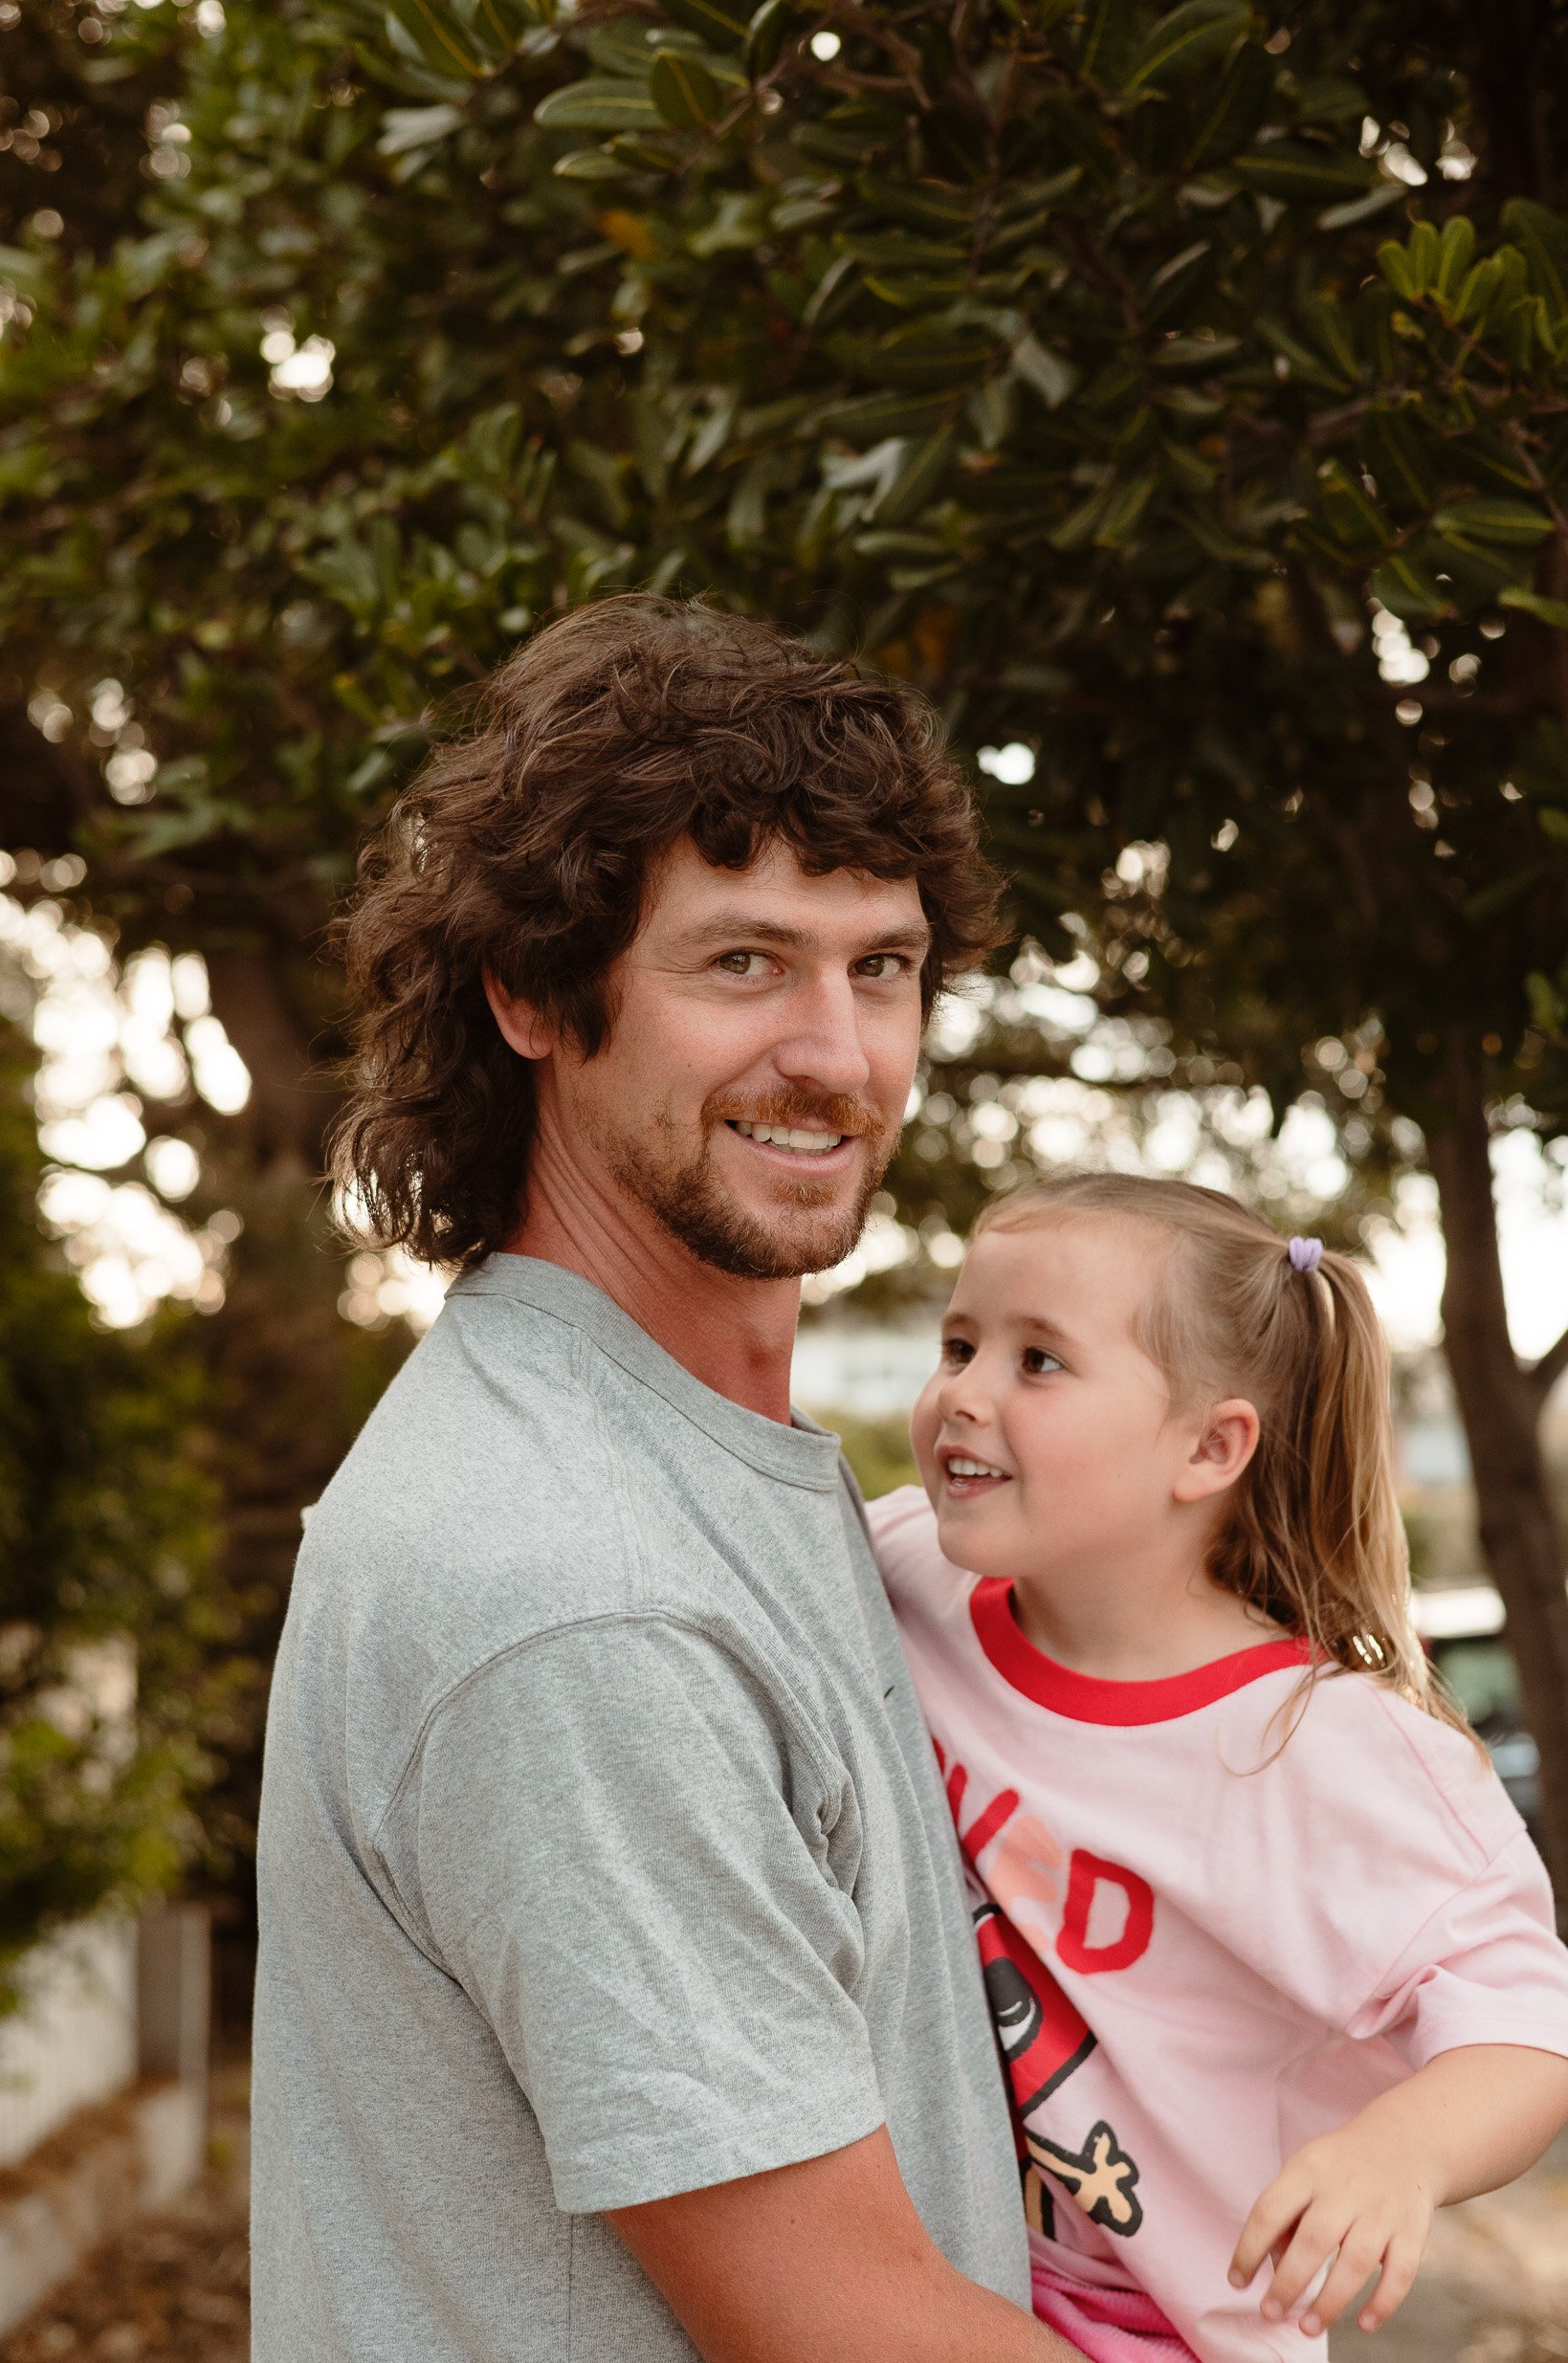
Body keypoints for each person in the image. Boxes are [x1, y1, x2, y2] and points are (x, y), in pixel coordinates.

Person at [249, 596, 1084, 2363]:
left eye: (883, 965)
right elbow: (850, 2330)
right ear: (537, 998)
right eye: (742, 964)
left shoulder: (689, 1467)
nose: (840, 1057)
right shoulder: (576, 1586)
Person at [870, 1172, 1568, 2363]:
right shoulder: (901, 1569)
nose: (961, 1395)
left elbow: (1526, 2023)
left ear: (1209, 1445)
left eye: (1037, 1362)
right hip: (924, 2272)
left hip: (1168, 2332)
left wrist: (1399, 2149)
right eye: (958, 1341)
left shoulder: (1324, 1748)